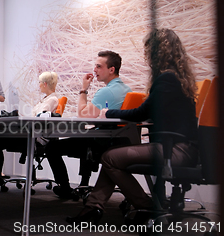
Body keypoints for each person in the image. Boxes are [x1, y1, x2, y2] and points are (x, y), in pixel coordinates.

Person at [66, 28, 198, 224]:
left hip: (176, 149)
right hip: (180, 146)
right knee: (114, 155)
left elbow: (141, 113)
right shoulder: (177, 78)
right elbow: (150, 113)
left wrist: (108, 113)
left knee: (110, 158)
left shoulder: (167, 79)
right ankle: (93, 207)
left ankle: (148, 207)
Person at [44, 50, 132, 198]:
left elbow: (83, 115)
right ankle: (83, 184)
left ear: (111, 69)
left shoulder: (107, 91)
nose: (94, 70)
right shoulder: (126, 89)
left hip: (102, 143)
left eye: (98, 66)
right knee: (83, 138)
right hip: (116, 141)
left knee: (52, 147)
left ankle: (65, 188)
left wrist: (84, 89)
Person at [0, 71, 59, 191]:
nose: (38, 85)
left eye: (40, 82)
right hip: (30, 133)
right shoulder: (45, 99)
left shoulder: (52, 100)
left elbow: (40, 118)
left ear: (45, 84)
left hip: (37, 137)